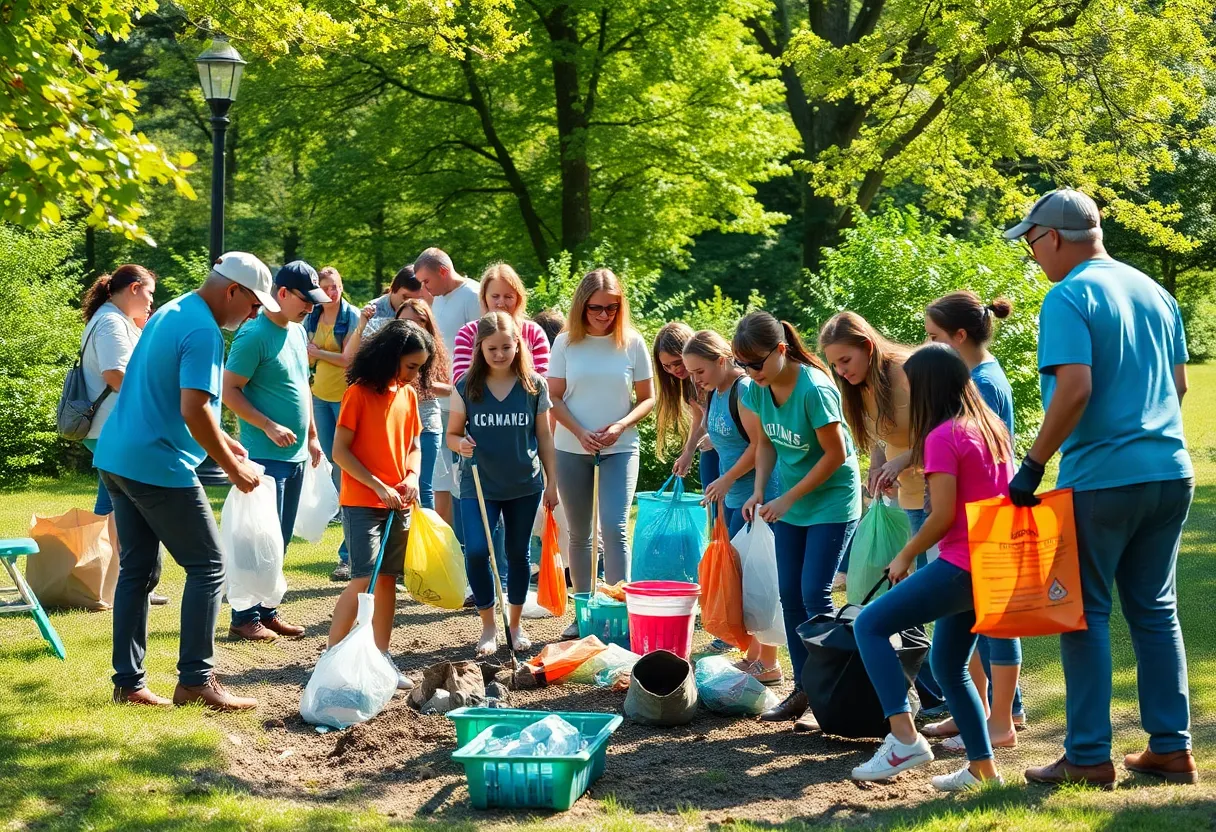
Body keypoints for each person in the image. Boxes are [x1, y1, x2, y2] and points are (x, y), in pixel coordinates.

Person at [1007, 189, 1197, 787]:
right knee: (1156, 611)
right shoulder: (1156, 292)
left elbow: (1075, 390)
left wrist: (1034, 464)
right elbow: (1180, 386)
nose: (1032, 256)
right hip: (1171, 472)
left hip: (1103, 482)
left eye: (1032, 243)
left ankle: (1087, 755)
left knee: (1083, 614)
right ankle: (1171, 747)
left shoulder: (1068, 296)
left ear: (1054, 237)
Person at [95, 251, 275, 711]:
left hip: (116, 455)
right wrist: (235, 471)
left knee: (138, 570)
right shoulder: (203, 330)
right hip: (155, 463)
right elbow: (191, 409)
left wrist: (227, 444)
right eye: (254, 305)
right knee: (209, 566)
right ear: (232, 290)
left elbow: (173, 397)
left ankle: (129, 685)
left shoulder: (173, 311)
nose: (254, 314)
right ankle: (196, 679)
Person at [850, 343, 1012, 791]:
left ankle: (904, 739)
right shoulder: (989, 426)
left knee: (870, 625)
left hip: (962, 563)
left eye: (909, 387)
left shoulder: (944, 436)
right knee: (948, 662)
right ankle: (983, 770)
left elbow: (940, 516)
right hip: (989, 563)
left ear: (926, 388)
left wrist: (904, 555)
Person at [732, 311, 861, 730]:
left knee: (814, 593)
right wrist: (759, 490)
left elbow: (836, 456)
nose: (750, 372)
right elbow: (765, 443)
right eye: (744, 364)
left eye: (756, 362)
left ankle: (830, 690)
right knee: (788, 593)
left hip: (830, 501)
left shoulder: (815, 389)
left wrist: (786, 498)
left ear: (782, 350)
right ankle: (804, 688)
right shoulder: (756, 389)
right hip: (791, 501)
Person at [819, 311, 947, 715]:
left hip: (941, 494)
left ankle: (991, 702)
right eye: (834, 364)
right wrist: (878, 464)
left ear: (868, 348)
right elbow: (879, 433)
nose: (841, 371)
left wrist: (904, 459)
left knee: (945, 598)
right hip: (908, 498)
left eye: (846, 361)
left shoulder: (910, 372)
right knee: (920, 597)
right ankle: (936, 694)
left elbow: (943, 430)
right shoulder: (862, 384)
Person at [922, 291, 1025, 749]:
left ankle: (1002, 721)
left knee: (996, 625)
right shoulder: (976, 375)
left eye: (934, 337)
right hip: (978, 521)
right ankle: (979, 712)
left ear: (960, 336)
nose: (929, 343)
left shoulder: (983, 381)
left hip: (991, 521)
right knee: (973, 622)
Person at [221, 261, 329, 642]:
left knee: (279, 539)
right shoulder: (253, 335)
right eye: (305, 300)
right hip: (262, 457)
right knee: (256, 539)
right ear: (281, 293)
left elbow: (304, 388)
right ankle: (243, 616)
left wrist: (313, 436)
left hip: (297, 456)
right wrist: (267, 424)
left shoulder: (298, 333)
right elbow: (229, 390)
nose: (311, 308)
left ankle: (267, 611)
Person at [549, 268, 655, 639]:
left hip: (620, 446)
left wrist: (620, 426)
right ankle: (582, 613)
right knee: (579, 533)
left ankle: (619, 612)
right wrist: (579, 431)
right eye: (597, 307)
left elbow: (648, 398)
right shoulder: (564, 344)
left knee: (614, 526)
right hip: (571, 445)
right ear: (582, 305)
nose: (605, 315)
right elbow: (555, 397)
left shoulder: (633, 343)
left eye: (612, 308)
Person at [328, 319, 433, 693]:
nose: (415, 374)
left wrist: (412, 476)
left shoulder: (406, 394)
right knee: (364, 578)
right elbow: (339, 451)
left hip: (398, 502)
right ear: (390, 356)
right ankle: (332, 659)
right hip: (362, 502)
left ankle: (380, 658)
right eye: (410, 366)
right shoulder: (357, 394)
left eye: (420, 367)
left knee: (387, 579)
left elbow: (415, 446)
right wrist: (377, 485)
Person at [449, 312, 560, 656]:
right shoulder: (466, 386)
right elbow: (452, 435)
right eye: (492, 348)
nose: (499, 354)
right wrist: (460, 444)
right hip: (479, 485)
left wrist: (552, 481)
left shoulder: (534, 386)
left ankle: (514, 625)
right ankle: (487, 626)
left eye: (506, 347)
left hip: (524, 485)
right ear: (480, 347)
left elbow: (543, 436)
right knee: (479, 551)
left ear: (518, 346)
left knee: (517, 554)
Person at [682, 329, 782, 684]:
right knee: (742, 581)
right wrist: (711, 440)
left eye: (700, 371)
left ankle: (769, 663)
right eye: (691, 372)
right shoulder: (717, 392)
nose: (695, 379)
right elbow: (732, 437)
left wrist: (726, 480)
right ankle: (753, 655)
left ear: (722, 361)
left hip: (760, 495)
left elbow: (760, 445)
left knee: (761, 582)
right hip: (736, 499)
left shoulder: (743, 390)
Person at [78, 265, 169, 608]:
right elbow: (116, 373)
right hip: (113, 427)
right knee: (126, 507)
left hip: (111, 427)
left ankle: (113, 582)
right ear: (133, 289)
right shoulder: (111, 322)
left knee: (110, 505)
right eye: (148, 293)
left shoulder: (114, 319)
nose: (150, 302)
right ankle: (122, 584)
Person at [346, 298, 452, 511]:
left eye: (416, 322)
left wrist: (424, 384)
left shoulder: (427, 355)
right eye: (404, 322)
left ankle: (422, 539)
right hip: (392, 431)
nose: (410, 327)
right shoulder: (361, 392)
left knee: (421, 487)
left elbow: (448, 387)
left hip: (426, 422)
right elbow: (342, 450)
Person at [414, 247, 481, 534]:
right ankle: (448, 548)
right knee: (442, 480)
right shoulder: (439, 301)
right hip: (439, 400)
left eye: (426, 281)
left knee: (466, 480)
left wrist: (459, 391)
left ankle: (472, 546)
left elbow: (485, 350)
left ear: (443, 271)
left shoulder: (473, 296)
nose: (423, 288)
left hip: (466, 402)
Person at [304, 266, 362, 581]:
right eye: (326, 287)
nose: (331, 292)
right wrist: (320, 354)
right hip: (320, 396)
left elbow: (351, 360)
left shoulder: (351, 317)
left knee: (345, 466)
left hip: (345, 398)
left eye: (336, 286)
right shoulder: (311, 316)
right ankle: (345, 535)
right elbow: (306, 357)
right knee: (329, 464)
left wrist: (319, 352)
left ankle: (349, 552)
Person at [653, 322, 717, 485]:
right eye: (667, 366)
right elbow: (700, 419)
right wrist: (687, 452)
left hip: (732, 450)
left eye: (677, 362)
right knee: (712, 503)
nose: (674, 370)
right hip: (710, 450)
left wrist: (714, 437)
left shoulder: (717, 378)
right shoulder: (688, 384)